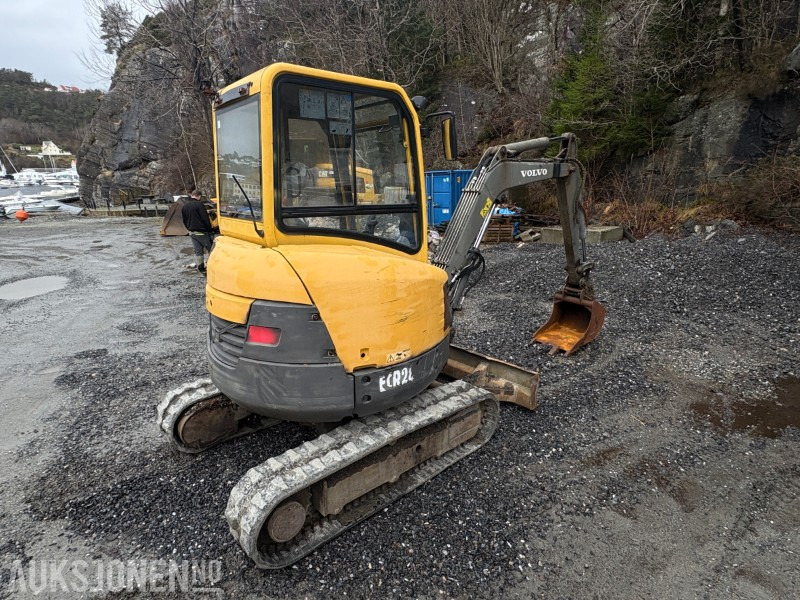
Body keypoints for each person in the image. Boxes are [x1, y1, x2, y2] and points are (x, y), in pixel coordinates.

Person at [181, 189, 215, 274]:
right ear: (199, 196)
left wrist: (189, 228)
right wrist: (210, 230)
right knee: (211, 249)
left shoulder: (185, 206)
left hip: (192, 233)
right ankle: (213, 267)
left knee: (198, 251)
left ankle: (201, 268)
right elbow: (205, 219)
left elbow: (184, 220)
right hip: (202, 232)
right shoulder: (200, 205)